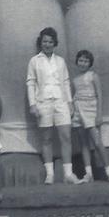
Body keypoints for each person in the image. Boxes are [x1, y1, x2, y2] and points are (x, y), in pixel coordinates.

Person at [27, 27, 81, 185]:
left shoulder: (60, 61)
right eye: (45, 41)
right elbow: (31, 82)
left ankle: (68, 174)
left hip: (61, 102)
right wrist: (33, 104)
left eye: (50, 41)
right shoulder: (34, 61)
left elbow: (65, 81)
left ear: (54, 43)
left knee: (66, 137)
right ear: (41, 42)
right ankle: (49, 174)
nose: (47, 44)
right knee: (46, 139)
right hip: (43, 102)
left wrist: (70, 103)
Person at [72, 49, 109, 183]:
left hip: (91, 110)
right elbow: (76, 96)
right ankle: (88, 174)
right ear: (77, 62)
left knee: (97, 142)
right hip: (78, 110)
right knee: (84, 144)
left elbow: (99, 95)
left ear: (90, 63)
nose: (83, 63)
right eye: (80, 60)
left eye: (86, 61)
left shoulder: (93, 76)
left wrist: (99, 114)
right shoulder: (75, 80)